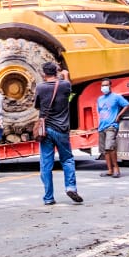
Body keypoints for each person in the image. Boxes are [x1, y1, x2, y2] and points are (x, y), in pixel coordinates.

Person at [34, 62, 83, 206]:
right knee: (67, 159)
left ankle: (48, 197)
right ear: (57, 72)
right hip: (62, 130)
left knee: (46, 164)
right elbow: (69, 84)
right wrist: (65, 74)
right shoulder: (64, 85)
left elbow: (37, 105)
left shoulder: (40, 87)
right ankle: (70, 187)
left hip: (46, 131)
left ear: (44, 74)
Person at [96, 79, 129, 178]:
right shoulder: (100, 99)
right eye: (102, 85)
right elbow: (100, 112)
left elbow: (128, 105)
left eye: (106, 85)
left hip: (112, 126)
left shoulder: (116, 97)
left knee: (110, 147)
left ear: (111, 86)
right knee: (105, 150)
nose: (104, 87)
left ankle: (116, 169)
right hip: (102, 126)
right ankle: (109, 170)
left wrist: (118, 115)